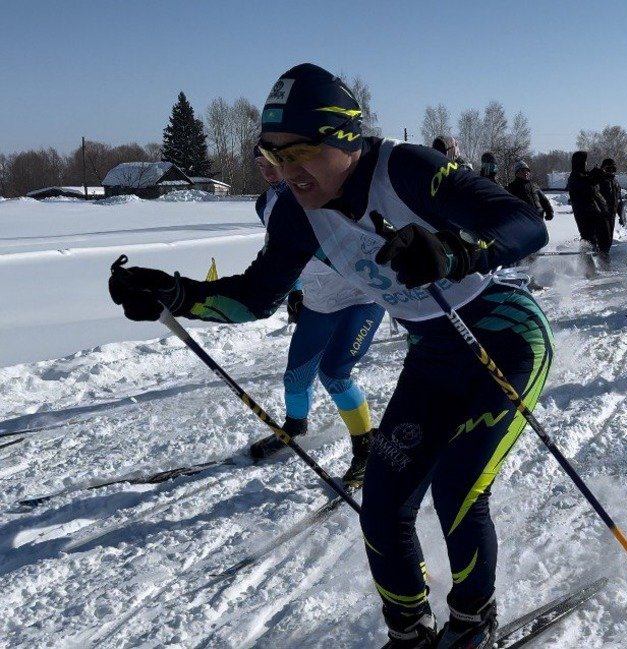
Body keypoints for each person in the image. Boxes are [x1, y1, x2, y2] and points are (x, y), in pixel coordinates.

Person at [107, 63, 551, 648]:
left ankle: (473, 623)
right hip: (433, 356)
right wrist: (177, 294)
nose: (286, 171)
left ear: (345, 139)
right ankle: (410, 630)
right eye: (273, 155)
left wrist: (456, 250)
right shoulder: (297, 214)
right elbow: (255, 298)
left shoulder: (408, 169)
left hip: (505, 339)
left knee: (458, 492)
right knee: (383, 504)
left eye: (300, 153)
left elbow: (526, 224)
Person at [248, 151, 384, 487]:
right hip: (319, 303)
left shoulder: (322, 191)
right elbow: (282, 251)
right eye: (260, 166)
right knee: (295, 377)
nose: (268, 172)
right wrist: (294, 290)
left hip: (359, 298)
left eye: (273, 164)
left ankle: (366, 451)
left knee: (335, 373)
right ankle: (295, 427)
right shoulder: (265, 204)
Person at [567, 150, 608, 259]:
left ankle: (593, 268)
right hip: (584, 214)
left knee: (595, 240)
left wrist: (596, 175)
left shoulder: (583, 175)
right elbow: (589, 189)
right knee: (588, 240)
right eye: (585, 161)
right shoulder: (575, 176)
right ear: (580, 162)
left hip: (592, 213)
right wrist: (595, 177)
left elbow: (593, 189)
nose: (586, 163)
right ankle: (588, 270)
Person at [594, 158, 624, 268]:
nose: (611, 171)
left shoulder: (615, 182)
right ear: (603, 168)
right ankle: (603, 262)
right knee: (603, 239)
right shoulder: (599, 181)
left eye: (613, 169)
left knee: (609, 239)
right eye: (608, 169)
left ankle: (603, 259)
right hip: (601, 215)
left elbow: (618, 199)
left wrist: (621, 214)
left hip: (612, 215)